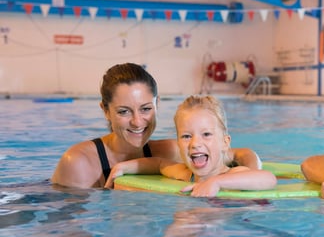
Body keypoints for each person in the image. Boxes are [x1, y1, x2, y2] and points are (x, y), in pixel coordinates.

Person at [52, 63, 260, 189]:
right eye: (124, 111)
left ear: (157, 104)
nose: (137, 121)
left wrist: (244, 183)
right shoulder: (80, 162)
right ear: (105, 110)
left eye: (145, 109)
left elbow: (244, 155)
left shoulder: (169, 151)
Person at [105, 94, 277, 197]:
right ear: (178, 143)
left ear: (225, 143)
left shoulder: (234, 174)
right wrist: (123, 167)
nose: (195, 144)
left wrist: (217, 182)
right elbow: (158, 164)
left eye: (206, 134)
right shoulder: (186, 174)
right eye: (186, 136)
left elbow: (268, 179)